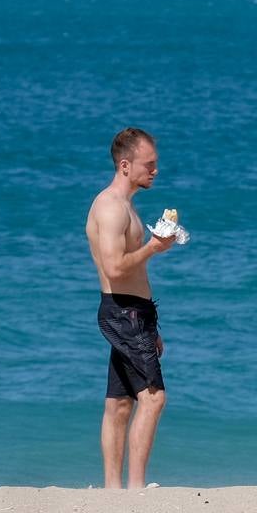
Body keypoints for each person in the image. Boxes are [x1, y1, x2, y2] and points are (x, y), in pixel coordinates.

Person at [85, 128, 177, 489]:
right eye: (148, 165)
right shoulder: (110, 208)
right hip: (124, 312)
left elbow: (129, 272)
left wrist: (151, 327)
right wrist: (154, 248)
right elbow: (115, 268)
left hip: (132, 311)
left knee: (120, 403)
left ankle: (112, 490)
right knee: (153, 398)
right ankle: (136, 488)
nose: (155, 171)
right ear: (125, 165)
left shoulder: (125, 206)